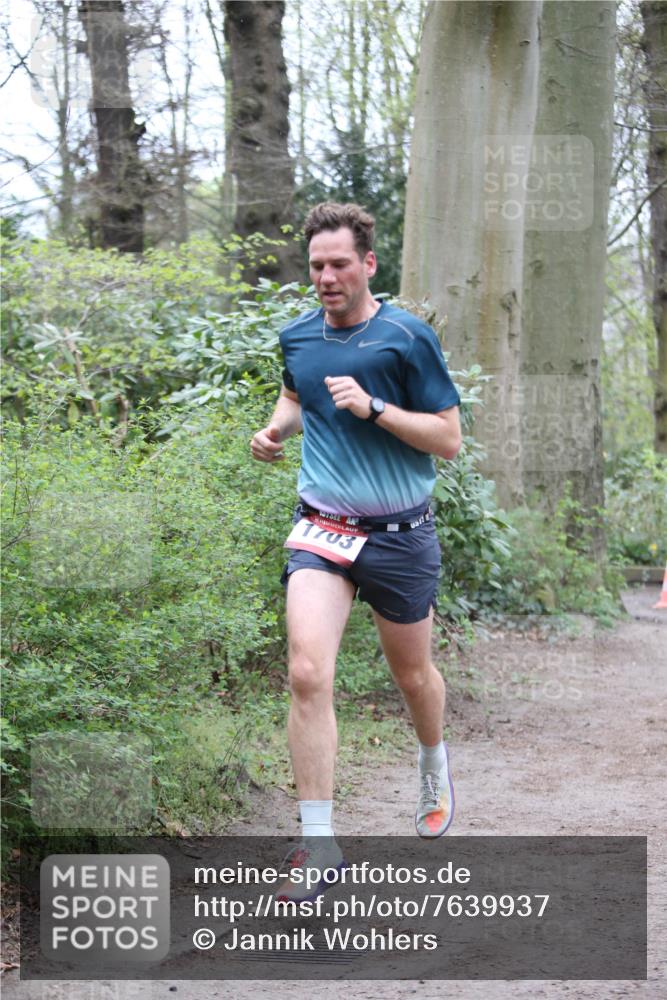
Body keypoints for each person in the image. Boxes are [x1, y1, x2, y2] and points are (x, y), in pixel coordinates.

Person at [250, 202, 461, 897]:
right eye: (316, 266)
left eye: (339, 263)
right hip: (323, 530)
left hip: (400, 535)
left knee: (412, 677)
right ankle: (319, 844)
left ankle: (431, 759)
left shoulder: (406, 337)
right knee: (308, 673)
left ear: (368, 264)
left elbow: (447, 439)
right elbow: (295, 394)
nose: (326, 277)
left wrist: (375, 408)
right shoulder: (298, 336)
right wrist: (275, 430)